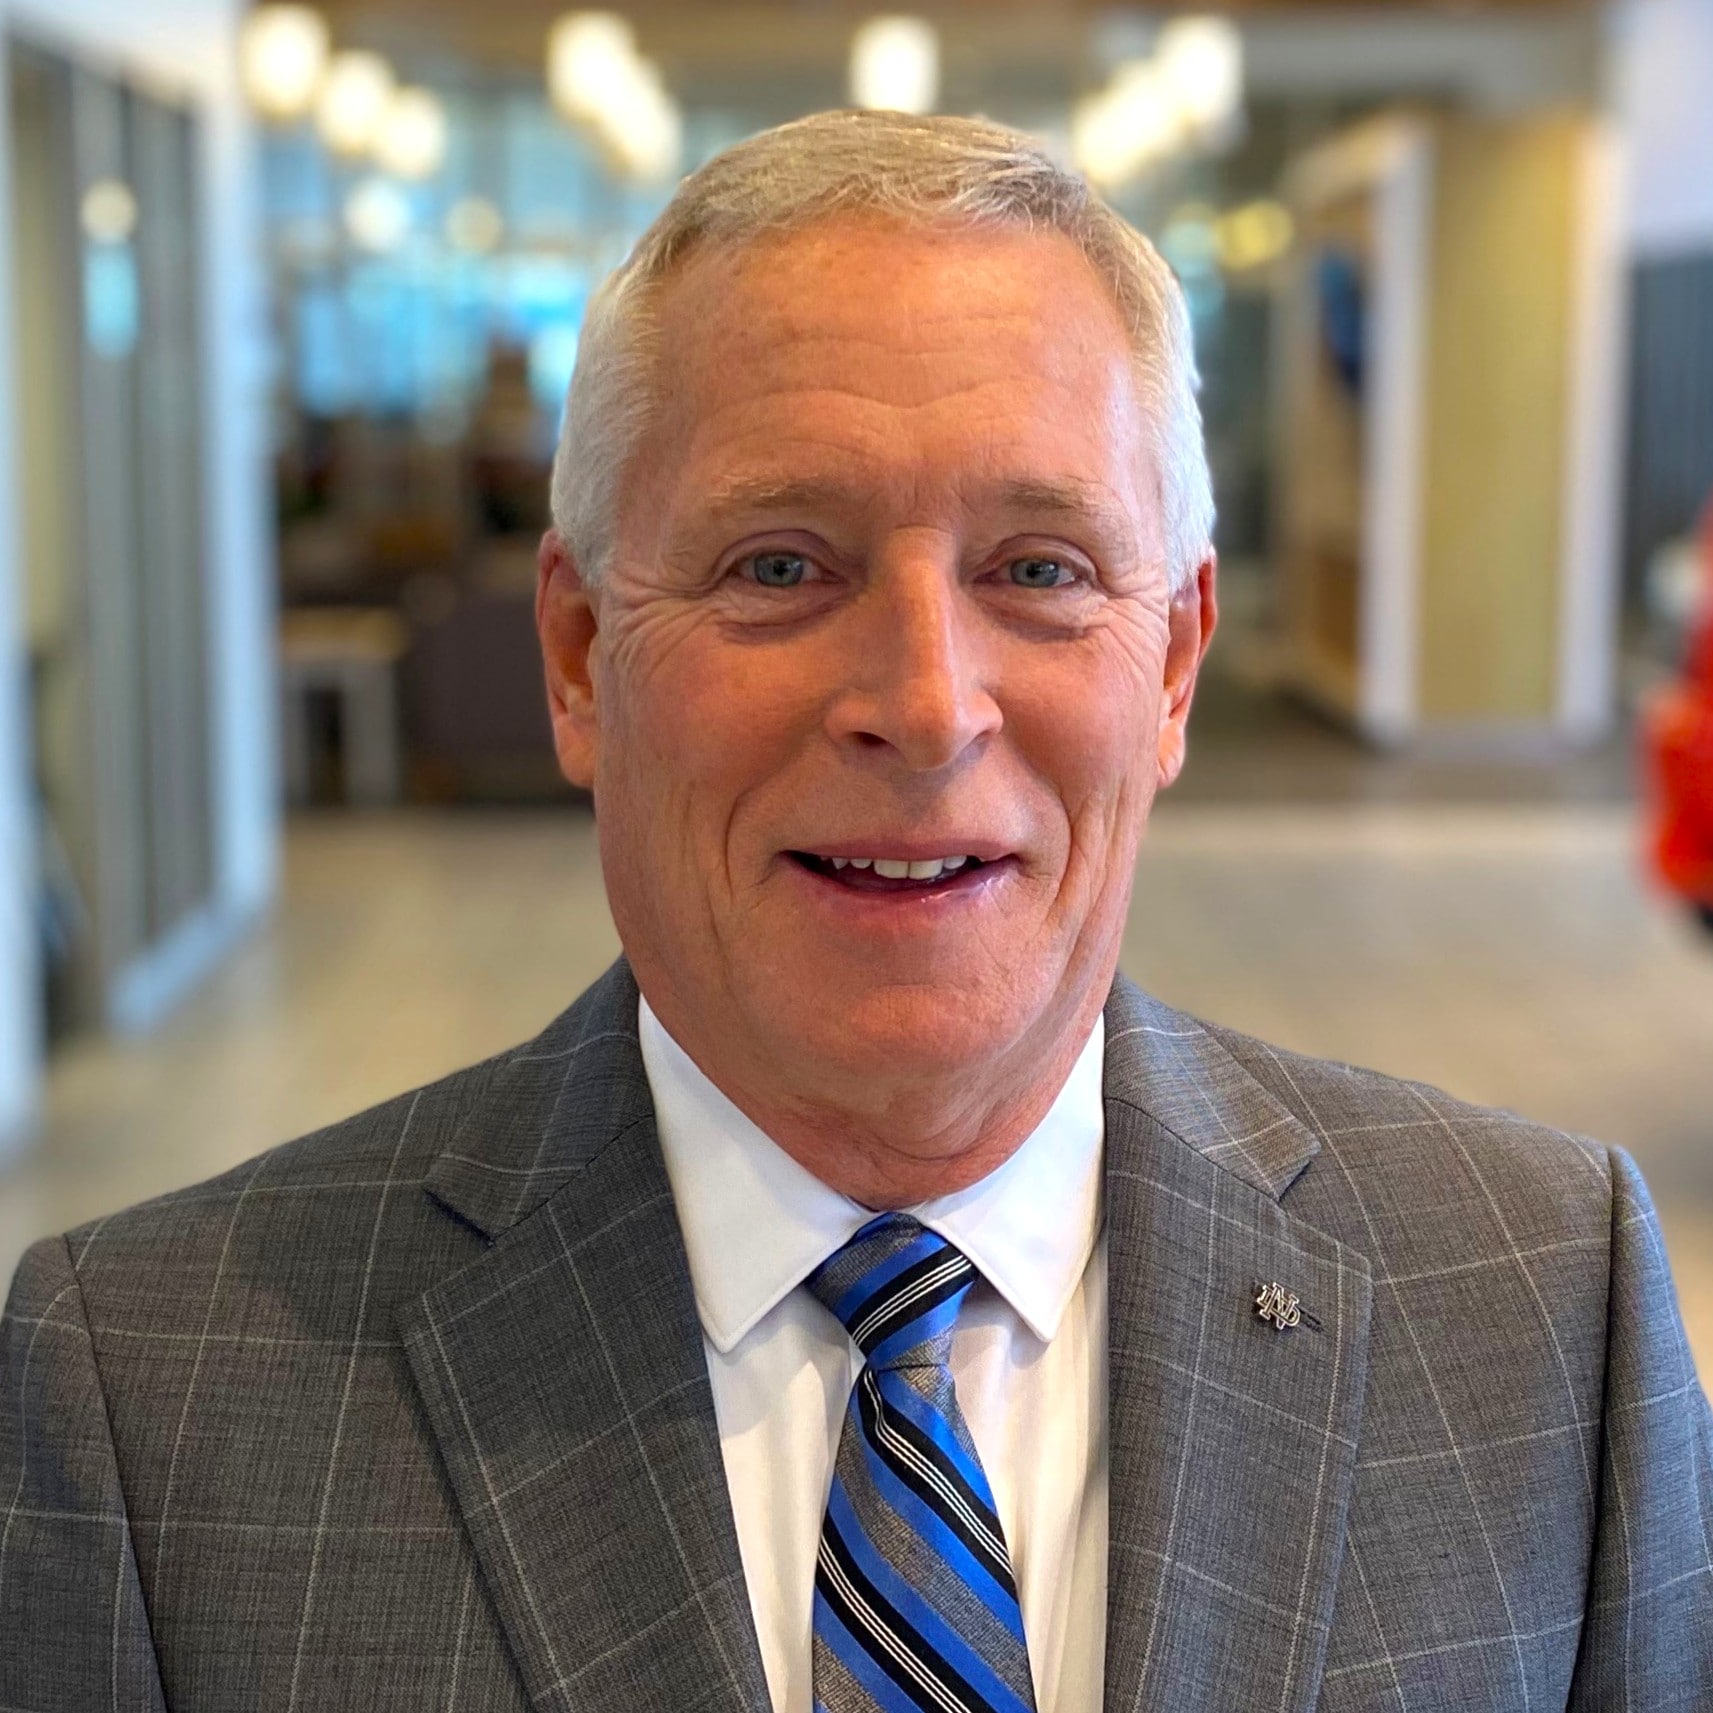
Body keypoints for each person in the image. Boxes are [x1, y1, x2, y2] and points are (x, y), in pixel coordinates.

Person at [3, 110, 1709, 1713]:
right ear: (581, 659)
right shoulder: (147, 1397)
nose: (925, 703)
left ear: (1174, 663)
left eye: (1037, 568)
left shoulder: (1542, 1305)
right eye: (779, 566)